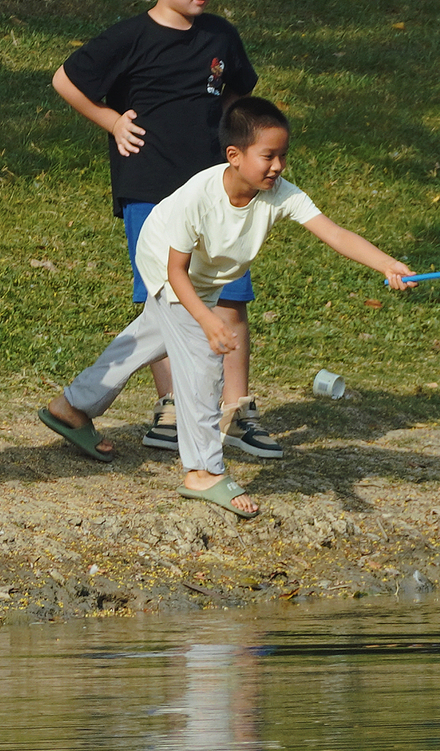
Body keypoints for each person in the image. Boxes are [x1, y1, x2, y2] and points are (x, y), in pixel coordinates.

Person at [39, 97, 415, 515]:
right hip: (166, 265)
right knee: (202, 363)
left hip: (202, 278)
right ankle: (203, 472)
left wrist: (387, 263)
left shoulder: (278, 195)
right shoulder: (199, 197)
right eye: (268, 156)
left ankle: (71, 406)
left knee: (149, 338)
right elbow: (175, 272)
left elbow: (335, 233)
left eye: (283, 156)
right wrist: (207, 321)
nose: (278, 167)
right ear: (234, 156)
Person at [51, 0, 279, 458]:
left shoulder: (220, 36)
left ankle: (235, 408)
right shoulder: (131, 37)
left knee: (231, 294)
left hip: (213, 191)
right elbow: (66, 80)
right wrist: (110, 122)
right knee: (166, 298)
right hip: (150, 187)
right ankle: (172, 408)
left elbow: (236, 101)